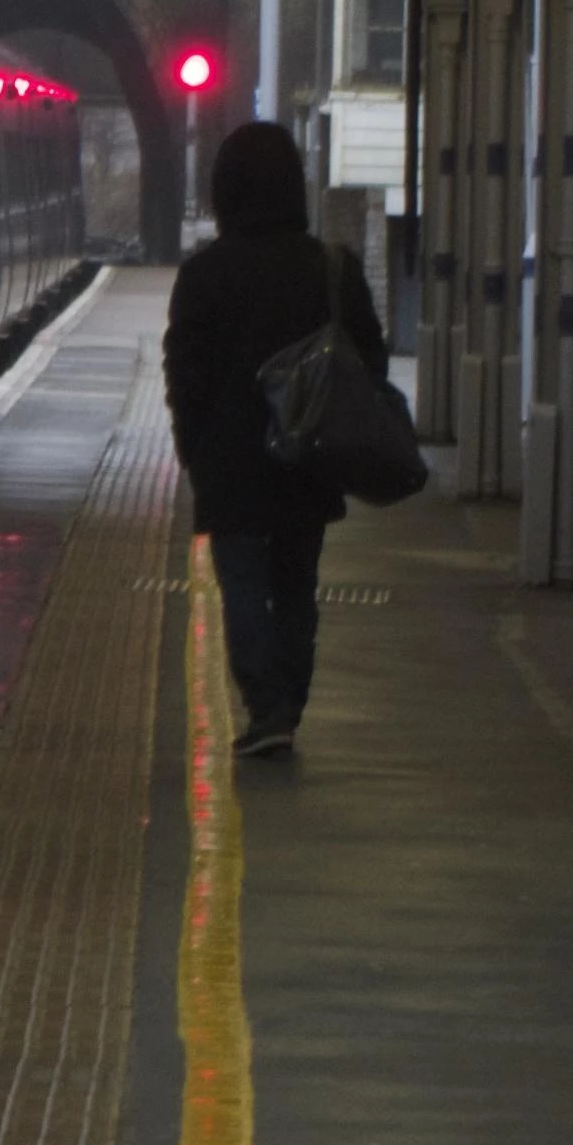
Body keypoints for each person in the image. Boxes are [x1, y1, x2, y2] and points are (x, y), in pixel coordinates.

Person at [163, 121, 387, 759]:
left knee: (240, 583)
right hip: (309, 459)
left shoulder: (203, 275)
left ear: (224, 190)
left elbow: (184, 370)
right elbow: (370, 358)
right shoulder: (331, 269)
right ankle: (287, 700)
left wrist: (193, 449)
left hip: (229, 464)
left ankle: (265, 706)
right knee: (295, 583)